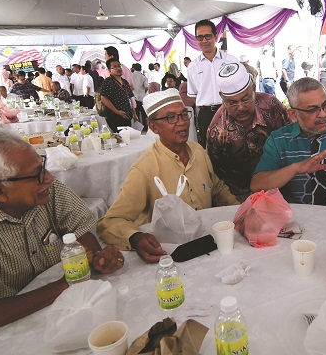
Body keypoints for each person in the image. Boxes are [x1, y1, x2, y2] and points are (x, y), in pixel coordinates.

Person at [0, 130, 124, 352]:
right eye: (37, 174)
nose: (49, 177)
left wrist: (95, 257)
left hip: (52, 314)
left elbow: (79, 226)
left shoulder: (43, 189)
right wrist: (64, 284)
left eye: (43, 166)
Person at [97, 89, 239, 262]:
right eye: (170, 118)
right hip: (171, 255)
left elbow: (216, 187)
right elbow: (110, 222)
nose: (182, 123)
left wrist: (239, 210)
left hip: (209, 245)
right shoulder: (145, 169)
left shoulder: (198, 151)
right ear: (154, 127)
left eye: (184, 115)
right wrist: (135, 238)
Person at [251, 77, 326, 208]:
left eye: (325, 105)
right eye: (312, 110)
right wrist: (295, 168)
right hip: (293, 220)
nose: (323, 114)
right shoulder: (279, 140)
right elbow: (257, 185)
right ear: (293, 114)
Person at [207, 62, 291, 202]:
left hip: (280, 188)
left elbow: (291, 142)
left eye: (245, 99)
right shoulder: (217, 130)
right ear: (222, 97)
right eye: (232, 103)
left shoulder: (272, 107)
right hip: (239, 198)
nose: (240, 107)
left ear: (253, 88)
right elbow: (216, 177)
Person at [187, 19, 239, 147]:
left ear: (216, 37)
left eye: (208, 36)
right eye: (200, 37)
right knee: (209, 150)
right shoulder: (193, 67)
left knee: (234, 146)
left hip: (230, 111)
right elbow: (193, 94)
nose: (204, 41)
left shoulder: (231, 61)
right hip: (206, 115)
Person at [100, 58, 136, 132]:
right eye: (115, 67)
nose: (118, 68)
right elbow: (103, 98)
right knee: (120, 138)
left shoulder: (125, 82)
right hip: (115, 116)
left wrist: (134, 113)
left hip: (127, 115)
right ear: (110, 70)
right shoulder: (107, 82)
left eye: (119, 66)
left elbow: (130, 97)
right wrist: (117, 111)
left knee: (128, 137)